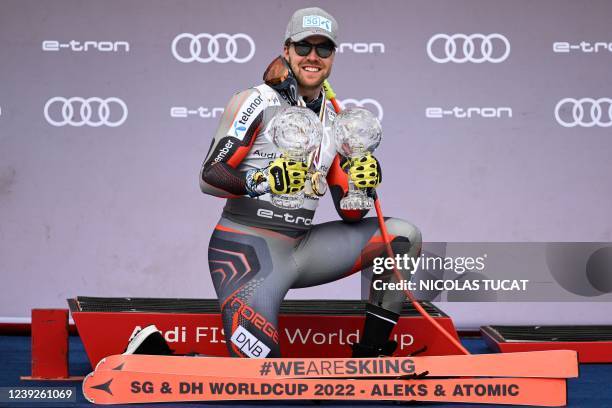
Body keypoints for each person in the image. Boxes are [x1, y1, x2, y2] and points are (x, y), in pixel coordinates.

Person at [126, 6, 422, 359]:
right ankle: (154, 354)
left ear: (333, 56)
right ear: (287, 50)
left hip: (303, 248)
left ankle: (372, 356)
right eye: (303, 47)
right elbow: (209, 176)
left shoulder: (336, 118)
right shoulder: (255, 101)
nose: (313, 57)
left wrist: (364, 181)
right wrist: (264, 180)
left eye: (323, 49)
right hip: (248, 250)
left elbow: (351, 215)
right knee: (262, 376)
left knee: (403, 236)